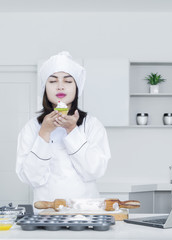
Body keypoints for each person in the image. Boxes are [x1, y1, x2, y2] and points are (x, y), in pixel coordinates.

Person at [16, 51, 111, 211]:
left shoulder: (92, 125)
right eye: (53, 81)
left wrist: (72, 130)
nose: (60, 86)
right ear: (45, 88)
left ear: (76, 88)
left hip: (86, 212)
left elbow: (94, 171)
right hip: (46, 213)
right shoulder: (32, 128)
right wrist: (44, 133)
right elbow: (31, 178)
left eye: (67, 81)